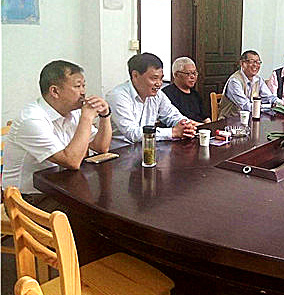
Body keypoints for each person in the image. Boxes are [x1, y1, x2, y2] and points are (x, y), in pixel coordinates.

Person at [3, 60, 112, 203]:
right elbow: (71, 161)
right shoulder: (31, 119)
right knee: (94, 212)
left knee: (105, 200)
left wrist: (105, 115)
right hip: (27, 198)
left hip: (59, 188)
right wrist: (86, 118)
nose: (83, 92)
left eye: (83, 86)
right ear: (55, 91)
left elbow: (101, 147)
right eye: (77, 86)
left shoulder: (73, 112)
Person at [106, 53, 196, 143]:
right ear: (135, 75)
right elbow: (133, 133)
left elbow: (172, 114)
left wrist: (185, 125)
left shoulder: (157, 94)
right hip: (123, 149)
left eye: (161, 78)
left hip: (148, 146)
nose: (159, 83)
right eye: (154, 78)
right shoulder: (118, 96)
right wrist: (173, 132)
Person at [218, 50, 280, 119]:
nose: (255, 65)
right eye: (252, 62)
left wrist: (280, 104)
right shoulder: (234, 81)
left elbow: (269, 97)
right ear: (242, 63)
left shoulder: (258, 79)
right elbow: (246, 106)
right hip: (230, 121)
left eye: (258, 62)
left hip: (250, 119)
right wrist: (270, 106)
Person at [162, 57, 211, 124]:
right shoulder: (166, 94)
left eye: (194, 73)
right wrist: (200, 125)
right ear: (176, 75)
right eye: (188, 73)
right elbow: (177, 120)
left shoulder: (195, 94)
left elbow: (205, 117)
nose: (193, 77)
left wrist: (208, 125)